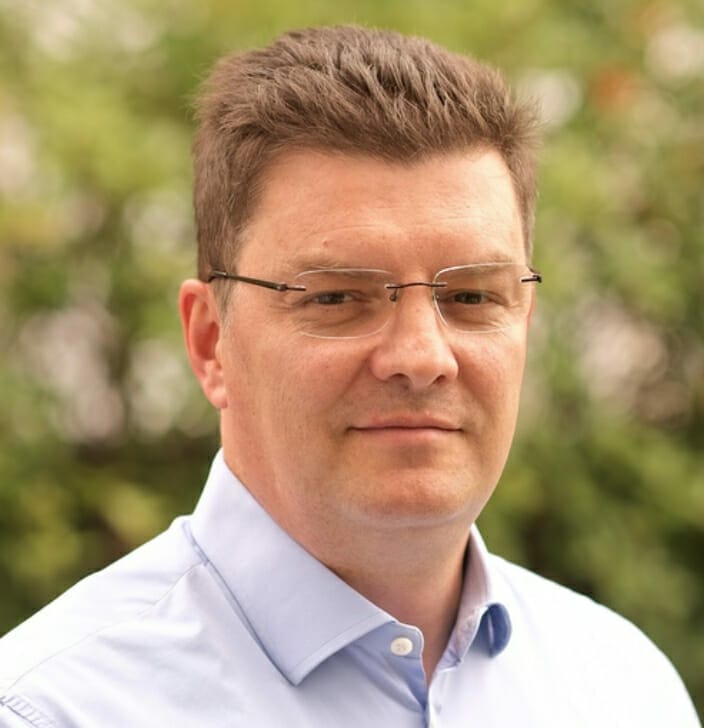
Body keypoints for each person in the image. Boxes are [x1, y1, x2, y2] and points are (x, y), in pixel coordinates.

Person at [0, 25, 699, 728]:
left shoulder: (624, 688)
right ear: (212, 342)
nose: (423, 357)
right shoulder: (53, 709)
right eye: (337, 296)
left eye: (470, 297)